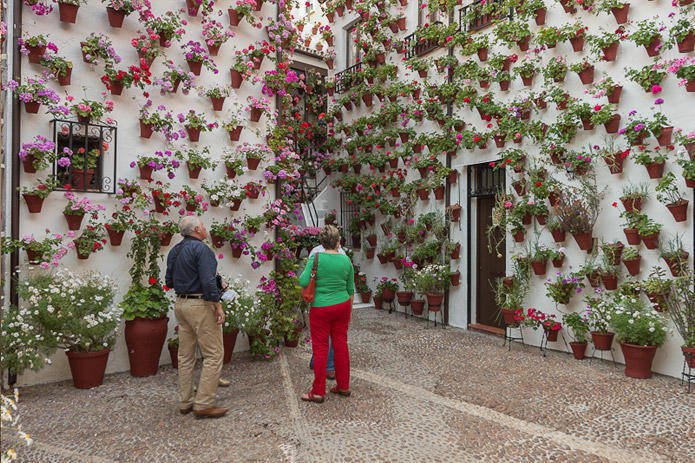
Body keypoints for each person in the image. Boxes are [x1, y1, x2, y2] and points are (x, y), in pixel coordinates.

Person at [165, 216, 228, 418]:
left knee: (185, 356)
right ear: (198, 228)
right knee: (214, 354)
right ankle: (203, 404)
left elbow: (169, 280)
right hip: (200, 304)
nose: (206, 228)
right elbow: (208, 282)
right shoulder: (202, 249)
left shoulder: (175, 250)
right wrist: (218, 306)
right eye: (204, 225)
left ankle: (186, 402)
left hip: (181, 304)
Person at [298, 225, 354, 403]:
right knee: (341, 346)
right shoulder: (346, 261)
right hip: (342, 306)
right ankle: (343, 386)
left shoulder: (316, 258)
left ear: (322, 242)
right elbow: (350, 289)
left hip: (321, 308)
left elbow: (303, 281)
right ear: (338, 242)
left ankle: (318, 392)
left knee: (321, 348)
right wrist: (349, 312)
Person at [307, 242, 347, 380]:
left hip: (327, 301)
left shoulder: (341, 253)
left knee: (325, 335)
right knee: (327, 336)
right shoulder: (318, 252)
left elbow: (306, 278)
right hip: (329, 300)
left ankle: (316, 361)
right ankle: (329, 366)